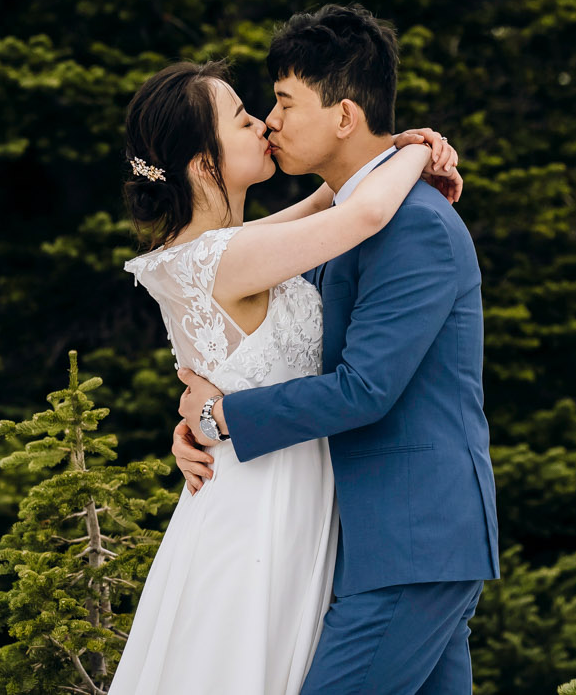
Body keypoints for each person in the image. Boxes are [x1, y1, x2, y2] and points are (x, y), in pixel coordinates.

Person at [106, 44, 462, 695]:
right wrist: (417, 147)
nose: (264, 124)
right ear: (203, 162)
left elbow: (329, 200)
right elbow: (362, 212)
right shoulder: (222, 258)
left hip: (278, 490)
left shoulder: (223, 248)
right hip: (259, 516)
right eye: (242, 117)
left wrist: (205, 419)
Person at [172, 4, 501, 695]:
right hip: (386, 543)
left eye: (286, 100)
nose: (271, 120)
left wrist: (226, 417)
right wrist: (196, 423)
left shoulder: (415, 223)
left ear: (344, 115)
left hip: (413, 541)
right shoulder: (347, 223)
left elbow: (364, 388)